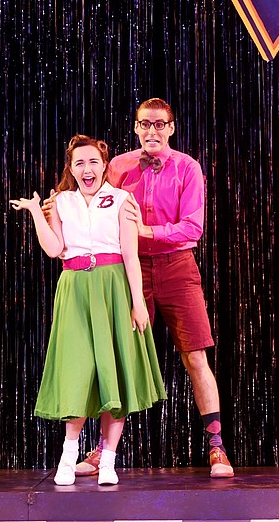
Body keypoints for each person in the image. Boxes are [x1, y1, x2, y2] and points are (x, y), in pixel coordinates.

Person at [66, 98, 235, 479]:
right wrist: (59, 213)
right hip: (130, 270)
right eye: (145, 124)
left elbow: (193, 227)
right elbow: (91, 204)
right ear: (136, 127)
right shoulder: (119, 167)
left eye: (160, 125)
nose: (152, 132)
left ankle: (217, 447)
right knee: (119, 357)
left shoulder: (188, 168)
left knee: (196, 357)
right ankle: (102, 452)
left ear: (171, 128)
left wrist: (147, 231)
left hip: (177, 267)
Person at [12, 135, 166, 486]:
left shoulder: (122, 199)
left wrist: (138, 303)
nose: (87, 169)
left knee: (115, 373)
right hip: (76, 288)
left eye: (93, 162)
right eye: (79, 163)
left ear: (104, 165)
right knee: (78, 373)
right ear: (71, 168)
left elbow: (130, 254)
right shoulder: (61, 202)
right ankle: (68, 456)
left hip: (113, 287)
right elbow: (55, 249)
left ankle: (108, 460)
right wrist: (38, 212)